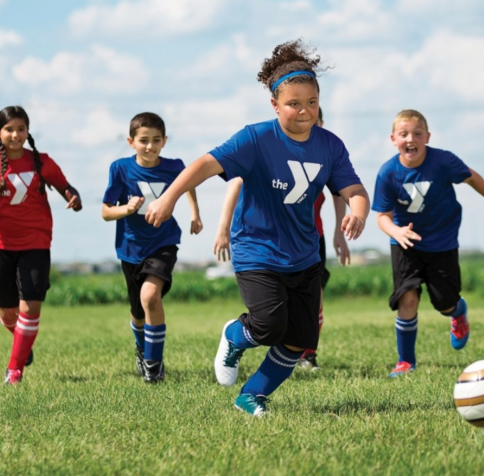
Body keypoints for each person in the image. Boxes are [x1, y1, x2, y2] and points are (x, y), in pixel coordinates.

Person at [144, 40, 370, 416]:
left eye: (312, 102)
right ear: (274, 105)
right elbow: (205, 164)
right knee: (268, 326)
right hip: (257, 249)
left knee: (299, 339)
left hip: (304, 255)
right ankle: (235, 335)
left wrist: (358, 213)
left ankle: (252, 395)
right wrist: (169, 198)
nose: (304, 110)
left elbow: (354, 190)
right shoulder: (255, 138)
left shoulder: (331, 146)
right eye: (294, 103)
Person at [373, 109, 484, 377]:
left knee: (444, 303)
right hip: (405, 243)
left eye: (417, 133)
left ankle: (458, 311)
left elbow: (471, 176)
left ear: (427, 137)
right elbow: (382, 216)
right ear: (393, 139)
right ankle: (405, 362)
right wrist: (396, 232)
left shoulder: (442, 161)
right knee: (407, 298)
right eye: (404, 134)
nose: (411, 139)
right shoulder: (387, 173)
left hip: (442, 242)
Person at [212, 110, 349, 372]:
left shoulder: (326, 152)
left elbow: (341, 191)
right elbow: (236, 183)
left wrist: (339, 232)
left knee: (314, 299)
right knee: (272, 319)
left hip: (311, 240)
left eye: (315, 119)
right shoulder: (271, 149)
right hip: (268, 242)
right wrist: (223, 228)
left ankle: (307, 354)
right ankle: (244, 338)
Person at [0, 105, 82, 385]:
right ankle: (22, 343)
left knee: (31, 307)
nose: (15, 135)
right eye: (9, 129)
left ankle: (14, 370)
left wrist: (73, 198)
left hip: (36, 243)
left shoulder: (42, 162)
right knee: (7, 313)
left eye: (21, 129)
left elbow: (66, 188)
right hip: (0, 245)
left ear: (28, 131)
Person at [101, 112, 202, 383]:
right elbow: (106, 212)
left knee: (150, 297)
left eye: (156, 140)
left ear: (164, 141)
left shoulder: (174, 166)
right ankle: (142, 349)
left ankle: (154, 366)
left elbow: (188, 183)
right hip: (130, 248)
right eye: (143, 140)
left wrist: (194, 213)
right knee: (138, 313)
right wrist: (126, 208)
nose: (150, 146)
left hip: (163, 242)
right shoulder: (120, 168)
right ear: (131, 142)